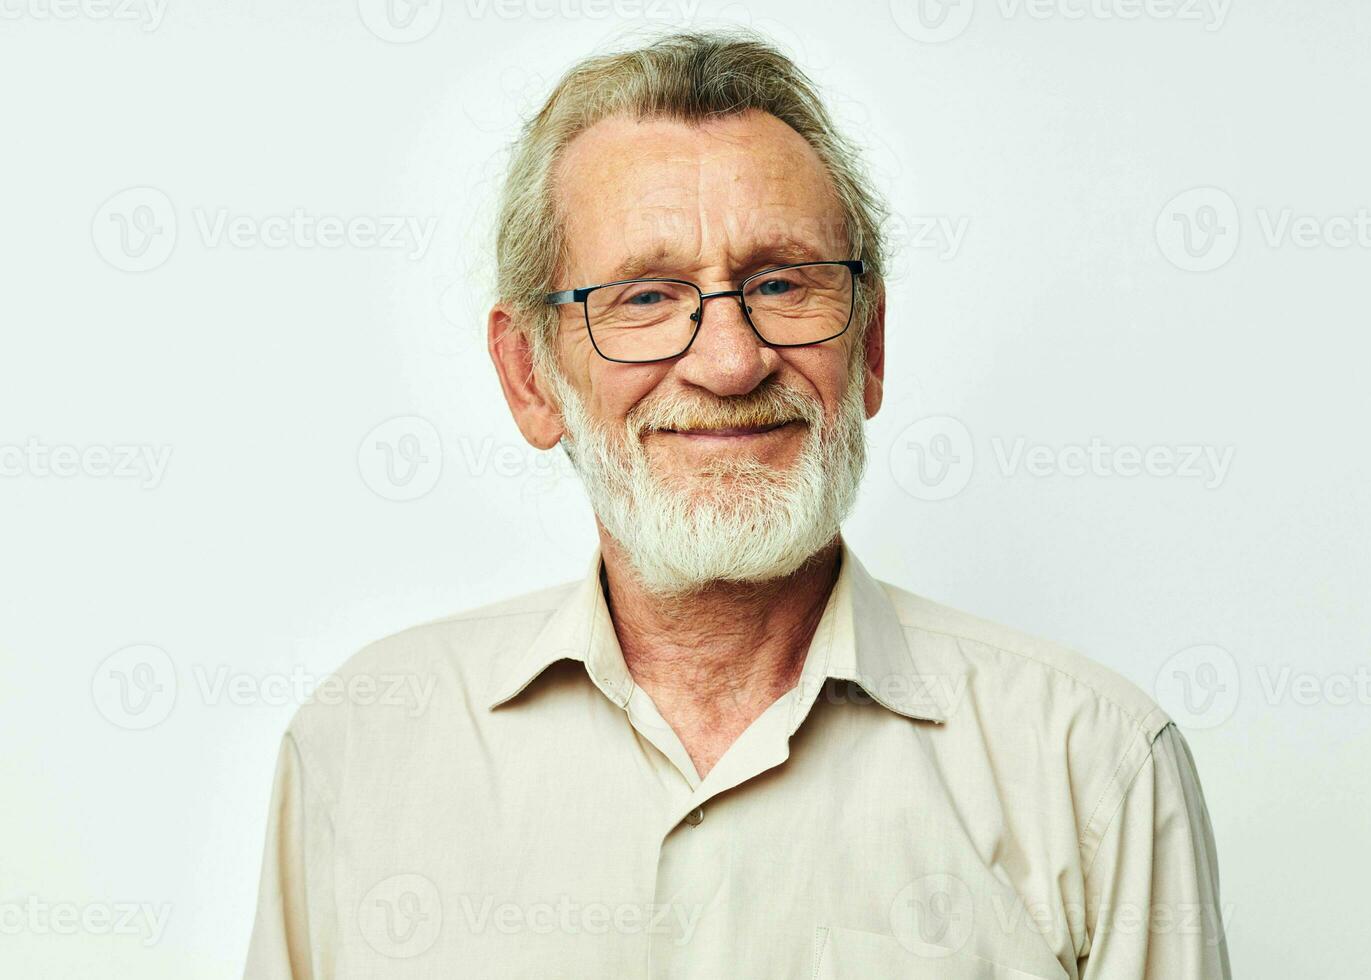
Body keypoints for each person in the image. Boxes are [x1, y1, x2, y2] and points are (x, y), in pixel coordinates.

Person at [244, 29, 1231, 979]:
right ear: (529, 377)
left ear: (872, 345)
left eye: (780, 282)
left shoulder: (1091, 768)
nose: (730, 360)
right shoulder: (364, 748)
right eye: (644, 297)